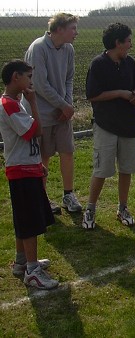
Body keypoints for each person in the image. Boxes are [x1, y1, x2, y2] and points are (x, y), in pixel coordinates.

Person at [1, 60, 58, 289]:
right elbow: (35, 131)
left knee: (24, 218)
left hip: (27, 167)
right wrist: (34, 103)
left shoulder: (15, 103)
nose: (31, 82)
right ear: (16, 77)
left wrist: (37, 163)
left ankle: (22, 261)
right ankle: (32, 271)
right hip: (21, 171)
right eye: (29, 77)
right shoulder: (9, 105)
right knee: (30, 222)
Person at [81, 23, 135, 230]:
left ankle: (122, 208)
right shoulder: (98, 64)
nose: (131, 45)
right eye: (128, 41)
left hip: (129, 125)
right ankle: (90, 209)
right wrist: (120, 93)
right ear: (118, 43)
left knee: (126, 168)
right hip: (106, 124)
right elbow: (92, 95)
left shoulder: (130, 62)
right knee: (102, 169)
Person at [24, 12, 82, 215]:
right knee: (44, 156)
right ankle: (43, 198)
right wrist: (62, 105)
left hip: (62, 113)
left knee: (67, 151)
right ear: (59, 29)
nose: (76, 33)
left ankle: (68, 195)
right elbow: (39, 84)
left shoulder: (68, 49)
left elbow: (69, 78)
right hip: (42, 113)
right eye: (72, 28)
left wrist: (67, 105)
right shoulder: (38, 48)